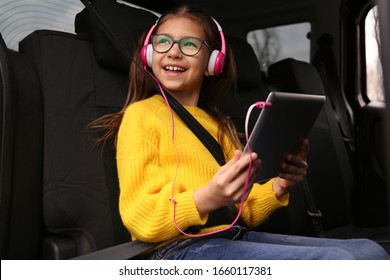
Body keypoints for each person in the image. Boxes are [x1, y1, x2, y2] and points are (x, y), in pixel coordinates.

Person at [92, 5, 389, 260]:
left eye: (189, 45)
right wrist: (207, 197)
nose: (174, 52)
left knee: (369, 252)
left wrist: (280, 186)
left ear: (212, 63)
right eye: (163, 42)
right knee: (339, 263)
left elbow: (242, 211)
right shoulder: (141, 116)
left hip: (230, 236)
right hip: (177, 251)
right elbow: (140, 216)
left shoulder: (218, 124)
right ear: (147, 53)